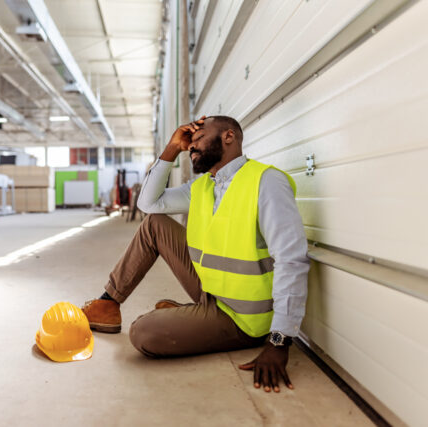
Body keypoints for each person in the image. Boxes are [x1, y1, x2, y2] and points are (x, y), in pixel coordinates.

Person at [82, 115, 309, 393]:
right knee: (155, 223)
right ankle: (108, 304)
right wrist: (170, 149)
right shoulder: (203, 187)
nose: (191, 146)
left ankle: (193, 318)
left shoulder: (266, 181)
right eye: (189, 143)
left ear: (228, 137)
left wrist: (279, 341)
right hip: (210, 291)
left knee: (143, 333)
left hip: (242, 317)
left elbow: (291, 260)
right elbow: (149, 203)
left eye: (198, 139)